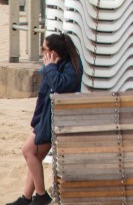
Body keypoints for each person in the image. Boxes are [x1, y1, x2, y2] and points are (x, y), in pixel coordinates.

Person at [8, 33, 82, 205]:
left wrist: (50, 67)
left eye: (45, 50)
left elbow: (60, 86)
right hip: (45, 119)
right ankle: (27, 197)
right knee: (34, 155)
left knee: (28, 151)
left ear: (54, 52)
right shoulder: (57, 65)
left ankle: (41, 195)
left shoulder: (70, 67)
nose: (43, 53)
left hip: (55, 121)